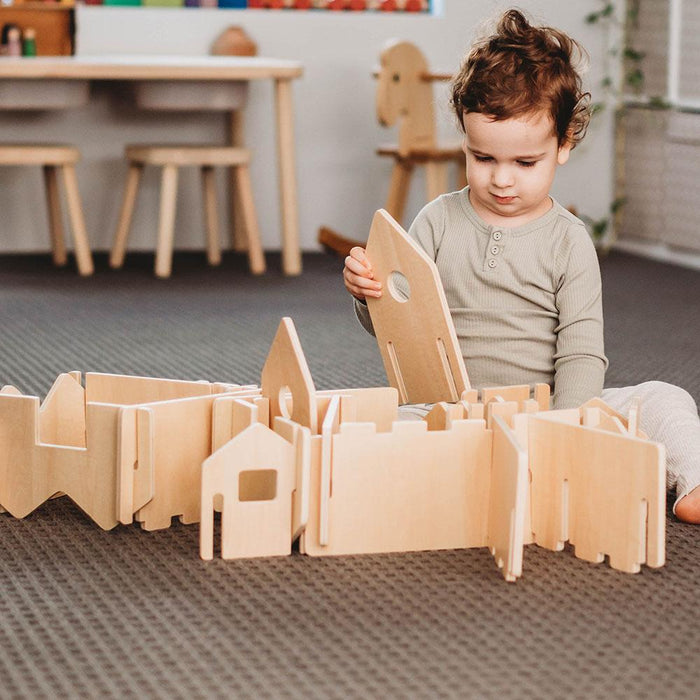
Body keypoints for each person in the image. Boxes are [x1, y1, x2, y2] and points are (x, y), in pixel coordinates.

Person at [343, 8, 700, 523]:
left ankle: (693, 481)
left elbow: (582, 353)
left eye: (525, 163)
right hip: (449, 409)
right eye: (483, 158)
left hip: (549, 408)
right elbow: (398, 327)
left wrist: (565, 429)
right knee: (372, 422)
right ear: (465, 141)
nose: (502, 180)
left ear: (563, 146)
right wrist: (367, 294)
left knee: (665, 399)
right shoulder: (436, 221)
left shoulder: (569, 241)